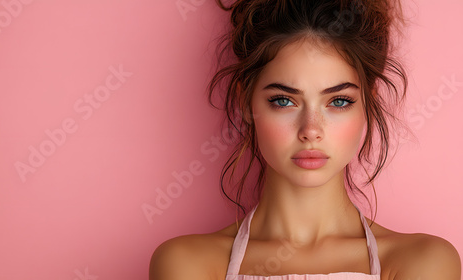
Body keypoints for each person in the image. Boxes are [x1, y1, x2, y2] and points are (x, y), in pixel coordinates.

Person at [149, 0, 461, 279]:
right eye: (284, 100)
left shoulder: (423, 263)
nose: (311, 130)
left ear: (368, 102)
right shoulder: (186, 264)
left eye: (338, 101)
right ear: (247, 104)